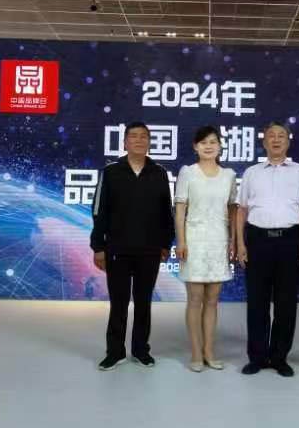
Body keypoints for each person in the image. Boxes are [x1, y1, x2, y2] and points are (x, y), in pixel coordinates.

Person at [90, 122, 174, 371]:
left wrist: (165, 243)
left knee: (144, 302)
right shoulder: (111, 172)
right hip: (117, 249)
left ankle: (140, 350)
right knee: (119, 303)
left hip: (149, 250)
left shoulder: (159, 173)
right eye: (133, 136)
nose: (139, 140)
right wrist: (98, 247)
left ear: (149, 142)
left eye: (143, 137)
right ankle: (115, 352)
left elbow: (166, 213)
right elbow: (98, 211)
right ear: (125, 142)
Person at [236, 122, 299, 377]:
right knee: (256, 303)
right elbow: (241, 210)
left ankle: (280, 358)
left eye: (281, 136)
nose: (276, 140)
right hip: (257, 240)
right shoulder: (252, 172)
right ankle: (257, 357)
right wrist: (240, 243)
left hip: (289, 241)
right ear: (264, 142)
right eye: (271, 136)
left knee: (286, 303)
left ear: (288, 142)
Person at [174, 126, 238, 372]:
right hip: (194, 241)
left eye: (213, 142)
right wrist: (181, 241)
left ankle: (209, 351)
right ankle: (195, 353)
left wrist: (233, 240)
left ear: (220, 146)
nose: (208, 146)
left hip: (218, 241)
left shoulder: (229, 175)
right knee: (195, 299)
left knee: (212, 301)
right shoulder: (188, 173)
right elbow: (180, 209)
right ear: (195, 146)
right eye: (203, 142)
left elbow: (232, 210)